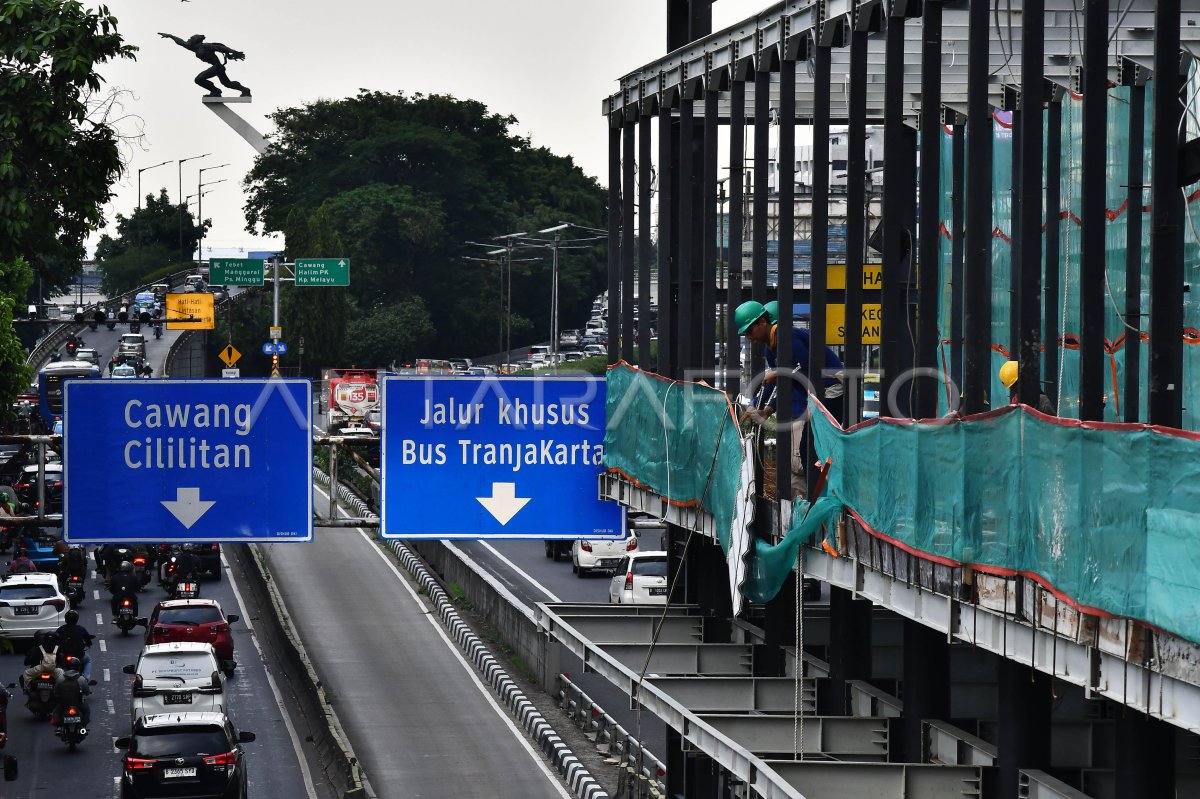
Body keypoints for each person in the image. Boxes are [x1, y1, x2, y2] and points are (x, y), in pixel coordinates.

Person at [735, 300, 845, 499]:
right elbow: (782, 383)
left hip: (830, 389)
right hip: (816, 393)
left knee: (812, 448)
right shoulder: (771, 348)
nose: (749, 337)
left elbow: (806, 369)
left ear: (762, 323)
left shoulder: (787, 337)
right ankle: (822, 497)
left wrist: (777, 373)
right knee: (808, 449)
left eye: (749, 330)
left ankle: (827, 497)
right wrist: (761, 407)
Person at [158, 32, 252, 97]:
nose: (189, 39)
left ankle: (216, 91)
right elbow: (181, 42)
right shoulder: (195, 48)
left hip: (217, 66)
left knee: (199, 79)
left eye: (192, 38)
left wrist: (234, 52)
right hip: (218, 67)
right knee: (227, 83)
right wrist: (170, 36)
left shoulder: (205, 46)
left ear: (196, 40)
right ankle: (245, 90)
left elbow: (220, 47)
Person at [50, 656, 91, 731]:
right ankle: (84, 727)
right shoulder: (81, 679)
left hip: (64, 703)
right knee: (86, 711)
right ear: (78, 667)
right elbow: (87, 692)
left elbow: (55, 691)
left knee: (56, 711)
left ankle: (59, 727)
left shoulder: (60, 678)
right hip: (78, 703)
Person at [55, 610, 94, 681]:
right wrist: (89, 644)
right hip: (79, 654)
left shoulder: (61, 629)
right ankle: (86, 678)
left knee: (58, 663)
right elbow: (88, 640)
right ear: (77, 619)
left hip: (64, 655)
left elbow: (55, 640)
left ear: (66, 619)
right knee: (88, 660)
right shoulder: (81, 629)